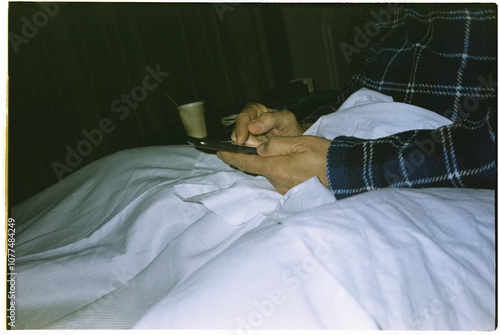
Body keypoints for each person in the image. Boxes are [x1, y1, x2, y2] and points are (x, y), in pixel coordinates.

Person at [218, 4, 497, 199]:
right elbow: (360, 93)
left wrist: (341, 166)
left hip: (437, 177)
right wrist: (306, 129)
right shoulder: (376, 12)